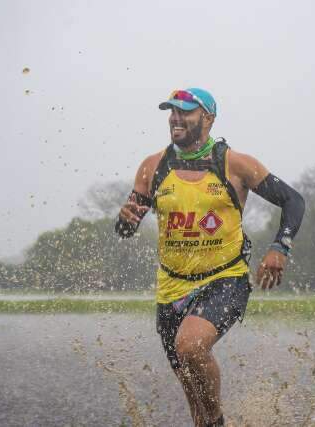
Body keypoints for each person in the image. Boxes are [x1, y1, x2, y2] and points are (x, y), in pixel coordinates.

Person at [115, 87, 305, 427]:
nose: (176, 117)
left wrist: (280, 247)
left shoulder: (235, 164)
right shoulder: (153, 166)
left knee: (189, 347)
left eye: (185, 111)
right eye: (172, 111)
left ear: (208, 118)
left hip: (224, 278)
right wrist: (124, 221)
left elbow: (293, 200)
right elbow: (126, 226)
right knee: (192, 393)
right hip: (171, 287)